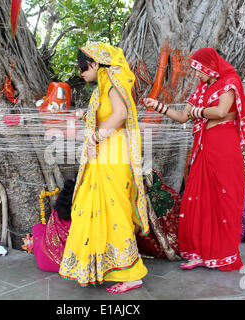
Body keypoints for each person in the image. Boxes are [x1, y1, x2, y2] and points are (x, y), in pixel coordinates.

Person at [143, 47, 245, 270]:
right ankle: (200, 252)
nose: (197, 74)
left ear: (210, 66)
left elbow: (221, 112)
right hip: (204, 145)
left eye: (199, 70)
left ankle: (223, 255)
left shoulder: (229, 81)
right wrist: (159, 107)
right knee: (199, 199)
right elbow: (182, 116)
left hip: (223, 145)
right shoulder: (201, 89)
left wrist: (198, 112)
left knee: (222, 199)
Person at [58, 42, 150, 293]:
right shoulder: (103, 84)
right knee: (97, 209)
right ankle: (103, 266)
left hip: (112, 152)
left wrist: (95, 138)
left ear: (95, 62)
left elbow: (119, 114)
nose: (81, 72)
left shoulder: (111, 77)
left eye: (82, 66)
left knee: (115, 211)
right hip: (104, 152)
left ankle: (132, 273)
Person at [32, 179, 74, 272]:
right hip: (75, 266)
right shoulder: (85, 205)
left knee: (38, 228)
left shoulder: (62, 199)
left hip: (44, 262)